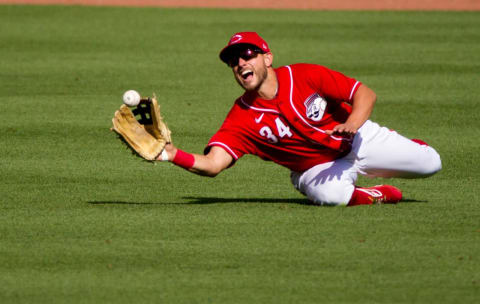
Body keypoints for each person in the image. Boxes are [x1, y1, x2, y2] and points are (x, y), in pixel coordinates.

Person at [158, 32, 442, 206]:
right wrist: (172, 155)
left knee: (431, 163)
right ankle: (376, 194)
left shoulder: (305, 75)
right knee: (332, 197)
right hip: (316, 168)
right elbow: (212, 164)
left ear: (267, 58)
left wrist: (353, 124)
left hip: (360, 139)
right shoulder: (241, 118)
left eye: (247, 54)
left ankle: (406, 148)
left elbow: (364, 94)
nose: (241, 63)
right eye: (234, 61)